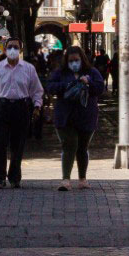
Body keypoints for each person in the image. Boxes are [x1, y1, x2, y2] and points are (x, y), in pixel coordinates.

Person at [0, 38, 43, 189]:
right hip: (2, 107)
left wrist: (37, 107)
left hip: (21, 108)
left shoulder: (29, 69)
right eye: (10, 47)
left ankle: (15, 177)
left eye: (16, 47)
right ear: (4, 49)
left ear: (20, 49)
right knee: (0, 143)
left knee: (18, 144)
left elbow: (37, 90)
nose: (12, 50)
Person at [45, 46, 106, 190]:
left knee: (82, 147)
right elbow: (50, 86)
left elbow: (100, 88)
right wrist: (66, 86)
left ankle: (82, 178)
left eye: (76, 60)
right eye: (71, 60)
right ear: (66, 61)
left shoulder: (92, 72)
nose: (74, 63)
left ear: (82, 59)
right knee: (69, 145)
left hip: (86, 116)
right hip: (65, 117)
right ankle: (66, 179)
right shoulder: (60, 73)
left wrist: (88, 83)